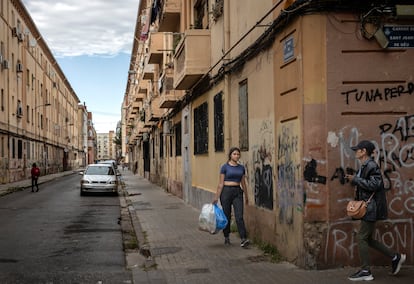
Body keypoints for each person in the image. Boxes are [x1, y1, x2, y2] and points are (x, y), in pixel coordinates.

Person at [345, 140, 406, 281]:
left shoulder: (371, 165)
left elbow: (375, 184)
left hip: (371, 208)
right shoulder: (365, 165)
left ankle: (366, 271)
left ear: (364, 151)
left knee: (361, 237)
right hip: (368, 207)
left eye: (358, 150)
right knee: (368, 239)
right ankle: (395, 256)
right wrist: (354, 179)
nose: (356, 152)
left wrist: (356, 179)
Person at [213, 147, 249, 248]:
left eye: (238, 154)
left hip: (237, 192)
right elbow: (220, 184)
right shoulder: (224, 167)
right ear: (230, 155)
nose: (236, 156)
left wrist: (246, 195)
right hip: (226, 192)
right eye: (234, 154)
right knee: (227, 215)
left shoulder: (241, 168)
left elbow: (243, 183)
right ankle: (226, 236)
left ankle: (243, 238)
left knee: (239, 216)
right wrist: (216, 197)